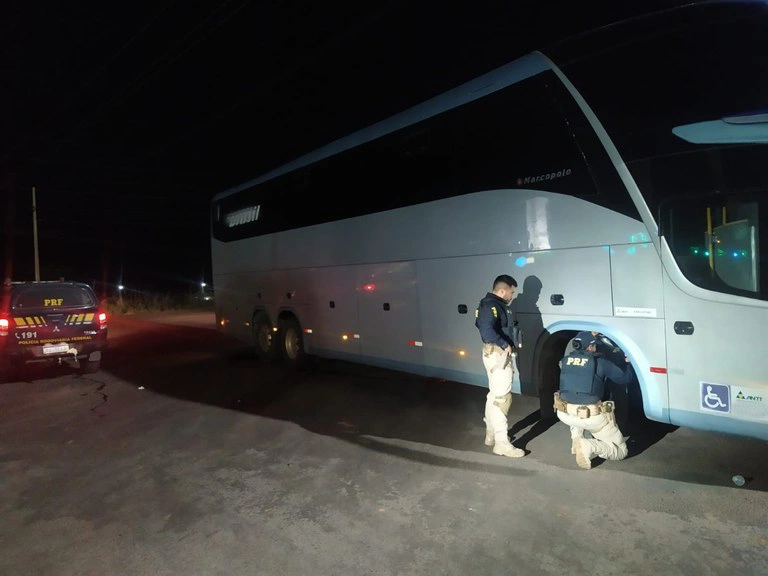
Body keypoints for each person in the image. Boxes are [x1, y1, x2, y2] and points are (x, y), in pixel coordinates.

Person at [554, 331, 634, 469]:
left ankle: (576, 439)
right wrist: (628, 363)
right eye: (594, 345)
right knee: (621, 451)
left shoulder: (565, 360)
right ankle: (588, 445)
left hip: (564, 414)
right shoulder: (600, 362)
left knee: (576, 394)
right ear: (590, 347)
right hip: (591, 418)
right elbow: (624, 378)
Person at [474, 274, 525, 458]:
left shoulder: (493, 305)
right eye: (511, 292)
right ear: (502, 290)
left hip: (494, 354)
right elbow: (485, 329)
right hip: (498, 355)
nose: (512, 296)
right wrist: (504, 344)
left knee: (493, 395)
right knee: (502, 399)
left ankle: (491, 435)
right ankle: (502, 443)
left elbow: (479, 324)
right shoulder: (491, 305)